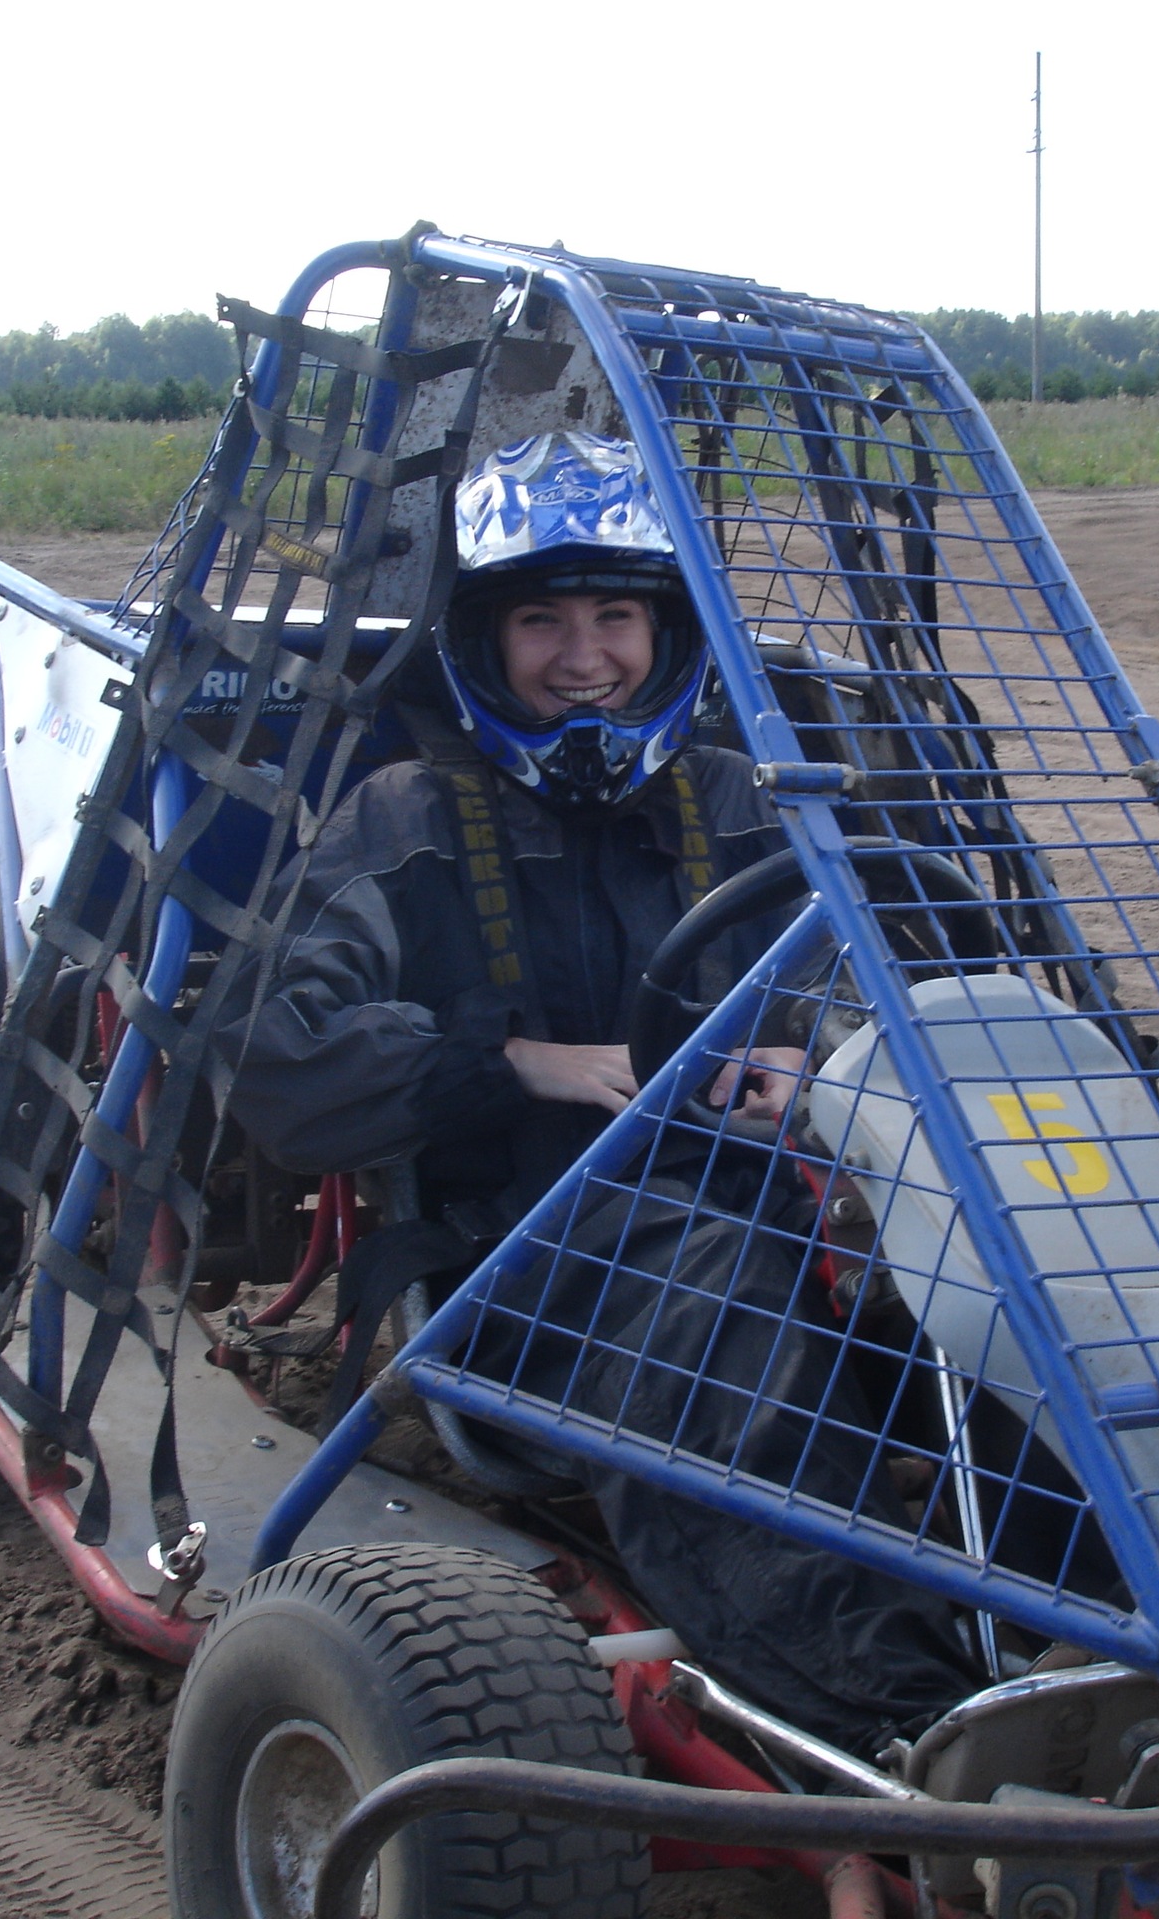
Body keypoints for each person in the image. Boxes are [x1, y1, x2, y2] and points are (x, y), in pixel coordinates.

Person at [220, 431, 977, 1754]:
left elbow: (878, 979)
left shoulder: (742, 801)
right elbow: (274, 1054)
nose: (584, 656)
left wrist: (818, 1062)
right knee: (715, 1289)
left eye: (616, 617)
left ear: (665, 633)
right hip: (528, 1261)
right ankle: (909, 1725)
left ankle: (1153, 1618)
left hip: (778, 1213)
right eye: (543, 621)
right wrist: (515, 1063)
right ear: (483, 638)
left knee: (1010, 1269)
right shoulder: (406, 818)